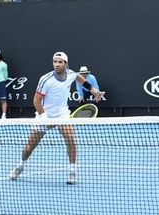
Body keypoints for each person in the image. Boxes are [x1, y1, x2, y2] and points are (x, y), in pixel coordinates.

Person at [9, 52, 102, 184]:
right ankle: (20, 165)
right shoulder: (45, 79)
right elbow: (36, 100)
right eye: (55, 61)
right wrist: (45, 117)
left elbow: (79, 77)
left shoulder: (70, 74)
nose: (57, 64)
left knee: (70, 139)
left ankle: (72, 171)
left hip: (62, 114)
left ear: (66, 64)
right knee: (29, 147)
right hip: (44, 114)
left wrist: (92, 89)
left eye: (60, 62)